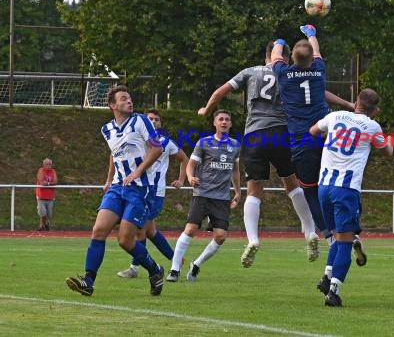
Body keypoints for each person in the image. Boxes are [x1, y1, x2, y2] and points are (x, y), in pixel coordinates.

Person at [197, 41, 320, 268]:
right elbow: (318, 93)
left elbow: (220, 92)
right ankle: (310, 232)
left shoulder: (250, 72)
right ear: (284, 56)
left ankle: (253, 239)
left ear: (266, 54)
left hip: (255, 134)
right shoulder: (291, 73)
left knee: (254, 189)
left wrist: (207, 109)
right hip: (282, 133)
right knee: (292, 183)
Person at [66, 85, 165, 297]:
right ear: (113, 105)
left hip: (139, 189)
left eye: (130, 98)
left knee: (125, 241)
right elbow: (114, 154)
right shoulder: (106, 129)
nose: (129, 101)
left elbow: (157, 148)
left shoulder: (141, 121)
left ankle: (155, 270)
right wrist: (109, 180)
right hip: (118, 188)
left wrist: (138, 171)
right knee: (98, 230)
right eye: (123, 99)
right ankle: (88, 281)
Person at [309, 88, 393, 306]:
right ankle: (333, 292)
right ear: (375, 110)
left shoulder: (335, 116)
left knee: (337, 237)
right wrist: (390, 141)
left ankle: (327, 277)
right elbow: (387, 152)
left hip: (324, 186)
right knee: (345, 241)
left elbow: (312, 131)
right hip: (346, 189)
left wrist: (331, 137)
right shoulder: (372, 126)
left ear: (356, 102)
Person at [271, 25, 353, 248]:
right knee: (334, 183)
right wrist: (311, 34)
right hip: (327, 137)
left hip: (302, 140)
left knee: (310, 189)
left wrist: (280, 38)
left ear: (292, 58)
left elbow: (276, 55)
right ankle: (347, 228)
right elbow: (316, 51)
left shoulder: (284, 74)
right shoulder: (319, 70)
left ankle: (329, 235)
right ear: (311, 59)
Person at [166, 109, 241, 282]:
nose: (224, 122)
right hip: (202, 193)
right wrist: (191, 177)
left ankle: (196, 264)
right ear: (214, 123)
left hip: (222, 198)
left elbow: (235, 170)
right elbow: (190, 164)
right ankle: (174, 270)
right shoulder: (204, 143)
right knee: (191, 229)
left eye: (227, 120)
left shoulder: (235, 145)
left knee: (221, 236)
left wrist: (237, 191)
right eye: (220, 119)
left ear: (230, 124)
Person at [116, 108, 189, 278]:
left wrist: (181, 180)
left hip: (155, 193)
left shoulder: (165, 142)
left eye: (157, 119)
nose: (154, 122)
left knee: (141, 231)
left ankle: (135, 268)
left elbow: (184, 159)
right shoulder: (136, 139)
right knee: (149, 231)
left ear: (160, 123)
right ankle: (176, 259)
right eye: (150, 119)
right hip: (138, 190)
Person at [35, 158, 58, 231]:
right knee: (43, 212)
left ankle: (46, 224)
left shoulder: (53, 171)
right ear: (43, 165)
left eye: (50, 164)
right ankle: (42, 226)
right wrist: (49, 184)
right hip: (41, 196)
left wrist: (47, 183)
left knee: (49, 213)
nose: (48, 166)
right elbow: (41, 182)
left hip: (50, 196)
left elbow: (55, 181)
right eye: (47, 164)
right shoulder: (41, 170)